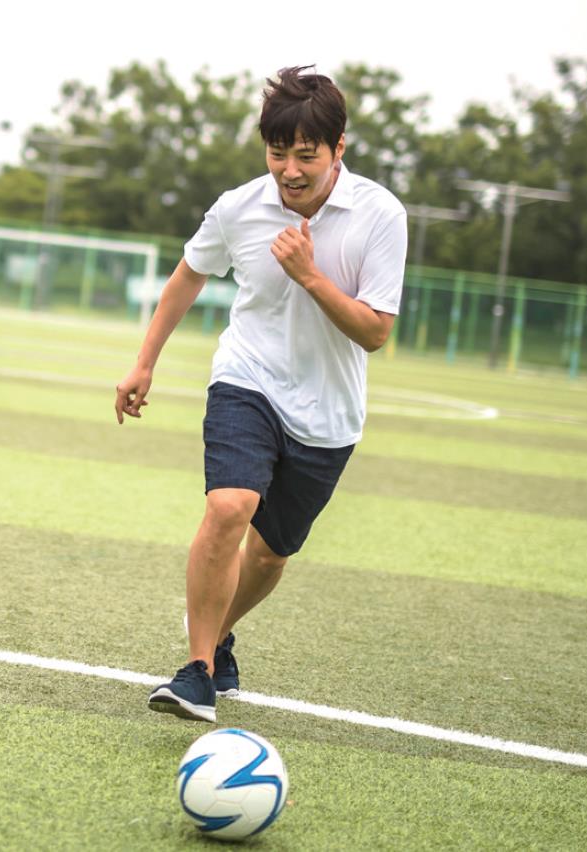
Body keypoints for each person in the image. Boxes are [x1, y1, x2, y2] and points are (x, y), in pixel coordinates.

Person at [115, 66, 407, 722]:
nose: (289, 171)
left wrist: (310, 276)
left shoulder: (381, 215)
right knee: (229, 506)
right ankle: (196, 672)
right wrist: (144, 363)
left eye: (306, 155)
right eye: (278, 154)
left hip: (328, 414)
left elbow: (375, 332)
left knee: (271, 554)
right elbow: (187, 276)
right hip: (246, 379)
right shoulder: (237, 208)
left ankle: (218, 635)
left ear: (338, 147)